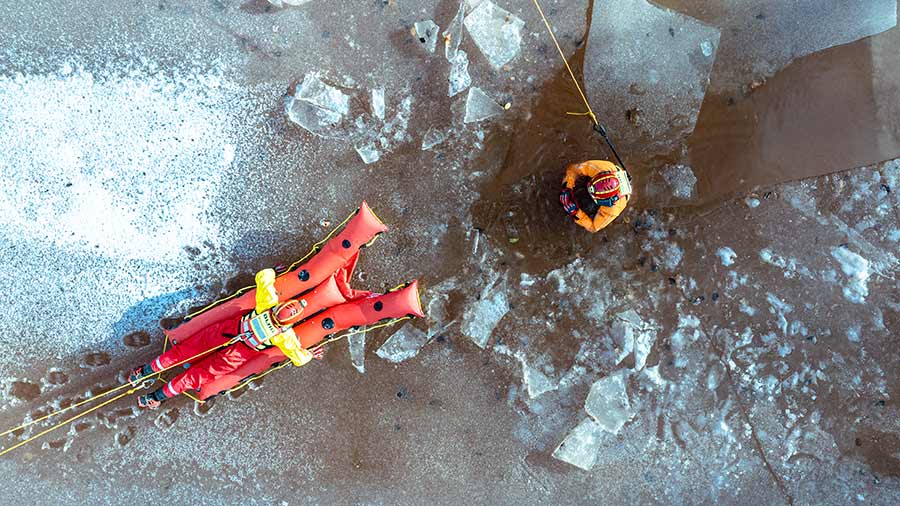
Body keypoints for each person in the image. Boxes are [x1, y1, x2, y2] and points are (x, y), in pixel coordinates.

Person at [129, 268, 323, 409]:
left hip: (225, 332)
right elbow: (298, 357)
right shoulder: (285, 336)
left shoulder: (267, 303)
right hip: (238, 353)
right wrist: (309, 355)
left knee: (182, 353)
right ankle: (156, 396)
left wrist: (274, 272)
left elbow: (263, 277)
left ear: (281, 305)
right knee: (196, 376)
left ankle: (143, 373)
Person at [558, 160, 632, 233]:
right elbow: (573, 169)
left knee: (588, 206)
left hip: (614, 200)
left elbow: (593, 227)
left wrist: (576, 213)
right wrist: (567, 187)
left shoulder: (612, 209)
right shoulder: (599, 168)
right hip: (599, 177)